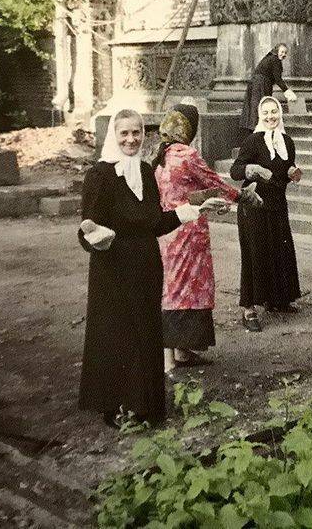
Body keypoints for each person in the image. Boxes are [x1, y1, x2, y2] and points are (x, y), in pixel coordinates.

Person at [77, 109, 213, 425]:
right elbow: (87, 229)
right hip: (112, 269)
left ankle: (145, 404)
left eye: (136, 132)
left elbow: (153, 223)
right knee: (117, 334)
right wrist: (97, 238)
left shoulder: (144, 170)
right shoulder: (99, 176)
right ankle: (115, 407)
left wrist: (192, 210)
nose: (131, 139)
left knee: (145, 333)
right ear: (114, 135)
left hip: (146, 266)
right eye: (124, 133)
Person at [153, 104, 248, 373]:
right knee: (183, 293)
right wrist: (241, 196)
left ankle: (180, 352)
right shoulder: (187, 154)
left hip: (167, 232)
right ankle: (169, 361)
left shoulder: (159, 154)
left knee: (171, 289)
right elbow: (213, 182)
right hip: (188, 232)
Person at [231, 96, 303, 331]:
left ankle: (277, 300)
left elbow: (284, 172)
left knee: (279, 250)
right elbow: (235, 171)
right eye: (266, 113)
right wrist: (251, 169)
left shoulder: (287, 142)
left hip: (277, 204)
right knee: (255, 254)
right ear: (260, 116)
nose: (271, 117)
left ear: (280, 114)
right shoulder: (253, 140)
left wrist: (292, 173)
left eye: (274, 112)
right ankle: (248, 309)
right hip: (254, 205)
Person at [240, 43, 297, 131]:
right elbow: (278, 79)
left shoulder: (269, 57)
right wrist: (287, 91)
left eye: (285, 53)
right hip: (261, 85)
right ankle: (260, 130)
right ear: (277, 51)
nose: (283, 54)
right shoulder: (275, 60)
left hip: (255, 83)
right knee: (262, 106)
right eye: (282, 52)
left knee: (255, 107)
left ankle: (254, 129)